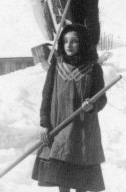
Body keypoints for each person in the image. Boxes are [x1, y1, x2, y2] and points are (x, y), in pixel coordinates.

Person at [32, 24, 107, 192]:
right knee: (63, 180)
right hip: (59, 128)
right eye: (65, 41)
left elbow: (101, 99)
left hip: (83, 132)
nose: (69, 45)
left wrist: (92, 106)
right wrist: (44, 123)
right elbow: (47, 96)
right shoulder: (56, 66)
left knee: (81, 183)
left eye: (74, 41)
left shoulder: (94, 69)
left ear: (83, 43)